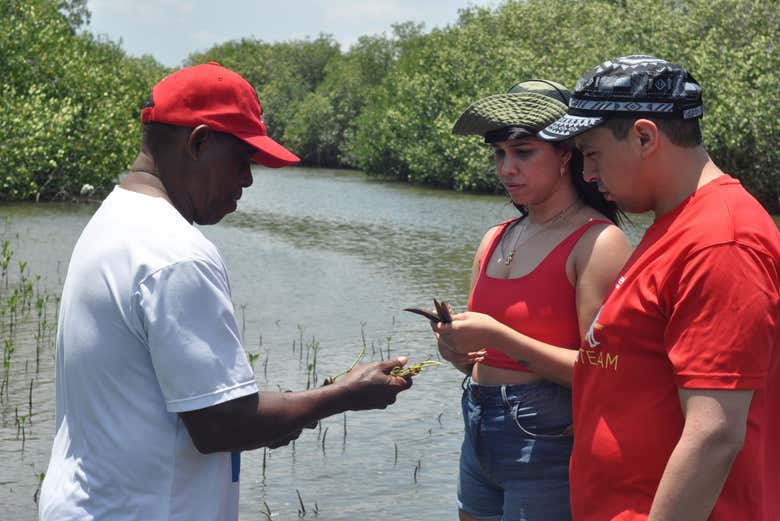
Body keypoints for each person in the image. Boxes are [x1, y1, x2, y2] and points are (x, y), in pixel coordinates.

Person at [38, 62, 412, 521]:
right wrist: (345, 396)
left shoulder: (115, 219)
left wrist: (295, 408)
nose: (249, 181)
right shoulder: (176, 253)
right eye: (243, 160)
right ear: (198, 143)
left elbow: (197, 406)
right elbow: (221, 425)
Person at [535, 55, 780, 520]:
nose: (586, 174)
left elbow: (715, 434)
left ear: (645, 137)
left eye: (591, 152)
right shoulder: (674, 223)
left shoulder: (721, 241)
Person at [435, 80, 633, 521]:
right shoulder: (495, 237)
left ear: (566, 155)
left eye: (524, 152)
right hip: (478, 424)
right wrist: (453, 349)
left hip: (547, 436)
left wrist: (501, 336)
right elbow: (478, 359)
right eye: (500, 154)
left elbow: (605, 373)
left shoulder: (598, 242)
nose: (507, 168)